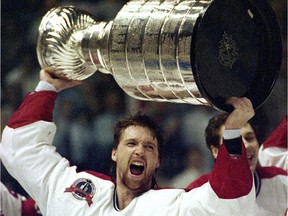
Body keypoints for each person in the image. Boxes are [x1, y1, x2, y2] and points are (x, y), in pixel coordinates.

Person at [0, 68, 256, 215]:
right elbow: (19, 149)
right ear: (114, 153)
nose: (140, 151)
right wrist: (47, 87)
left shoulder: (172, 207)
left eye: (149, 147)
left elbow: (230, 205)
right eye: (131, 144)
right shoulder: (77, 190)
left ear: (157, 162)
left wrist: (232, 133)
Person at [187, 113, 287, 216]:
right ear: (216, 151)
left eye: (249, 138)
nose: (246, 146)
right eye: (235, 141)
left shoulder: (281, 180)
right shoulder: (198, 193)